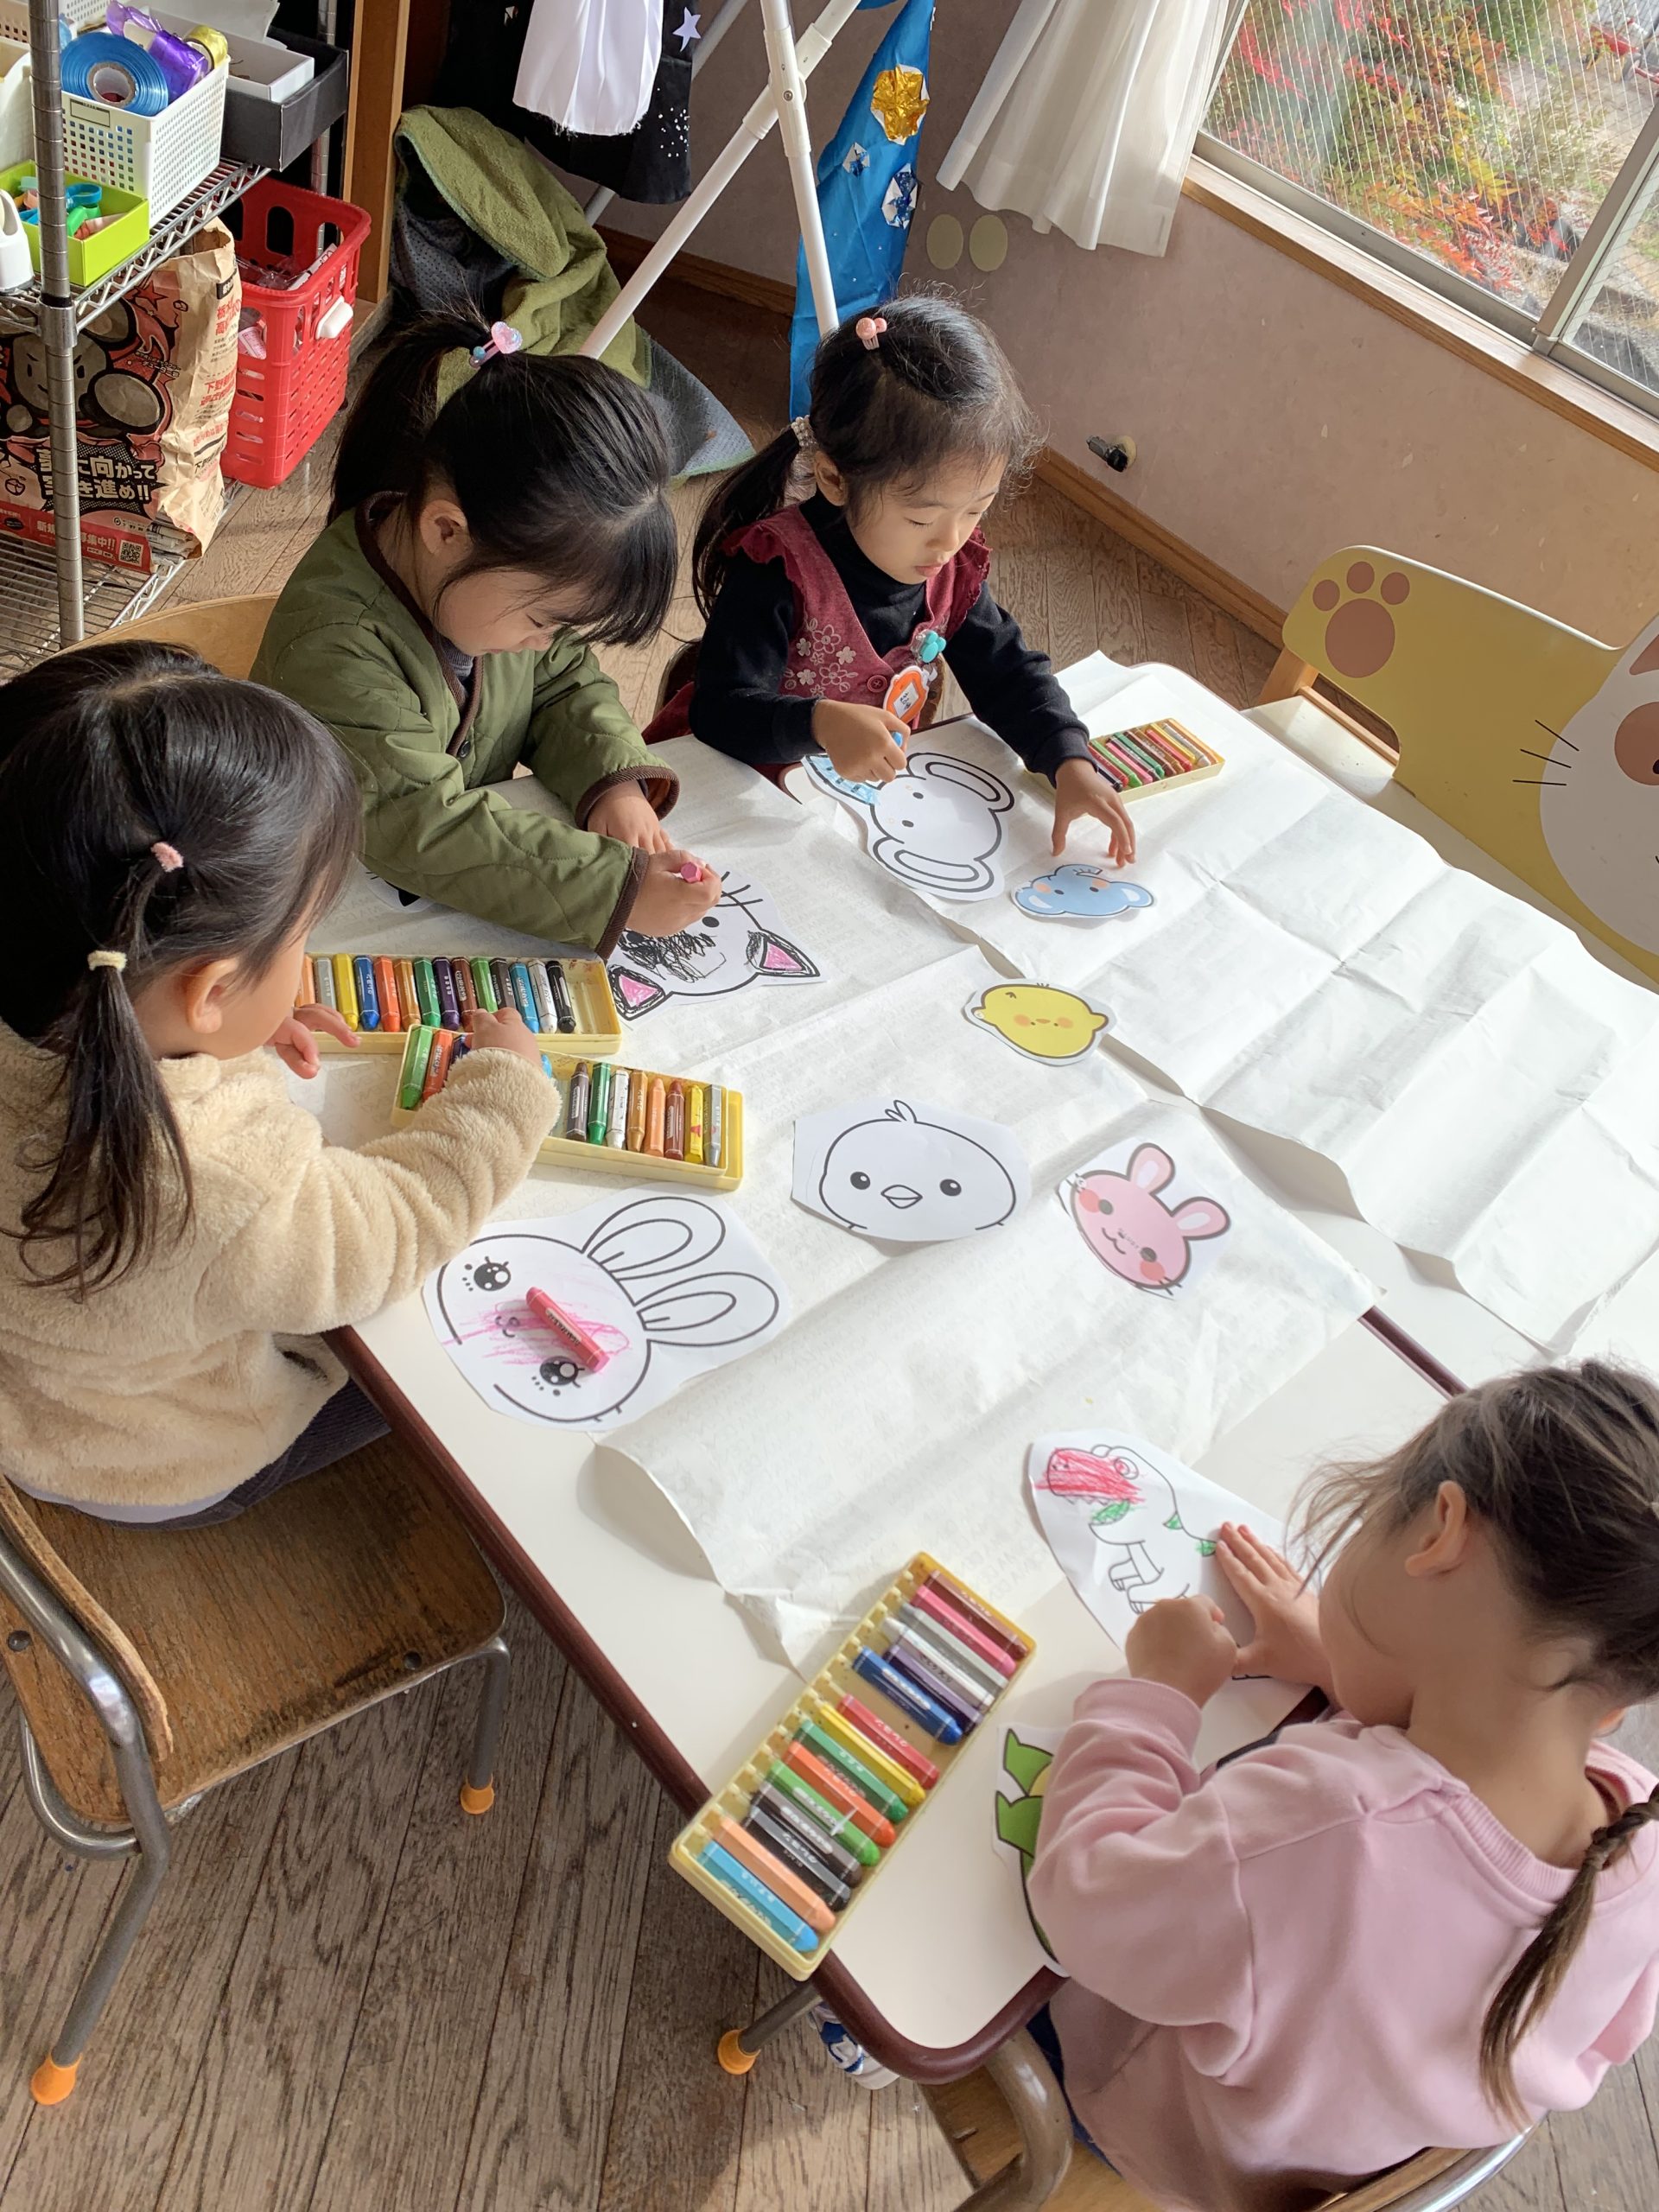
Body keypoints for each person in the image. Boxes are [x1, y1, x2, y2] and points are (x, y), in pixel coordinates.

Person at [1028, 1363, 1659, 2212]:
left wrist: (1158, 1693)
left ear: (1440, 1531)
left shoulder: (1324, 1827)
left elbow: (1082, 1901)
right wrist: (1346, 1664)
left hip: (1133, 2118)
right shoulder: (1639, 1838)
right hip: (1306, 2157)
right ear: (1619, 1696)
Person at [0, 643, 560, 1528]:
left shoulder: (46, 963)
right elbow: (400, 1225)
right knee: (438, 1359)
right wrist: (503, 1093)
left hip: (35, 1386)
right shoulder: (223, 1183)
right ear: (209, 990)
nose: (303, 957)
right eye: (299, 935)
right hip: (140, 1460)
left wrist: (229, 1033)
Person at [254, 313, 719, 954]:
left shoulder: (487, 578)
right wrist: (615, 888)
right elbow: (422, 825)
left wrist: (610, 778)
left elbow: (562, 681)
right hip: (315, 903)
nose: (545, 641)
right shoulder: (334, 645)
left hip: (444, 885)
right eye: (542, 620)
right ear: (446, 531)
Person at [660, 295, 1134, 862]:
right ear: (835, 479)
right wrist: (819, 723)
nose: (949, 541)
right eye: (921, 519)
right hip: (732, 794)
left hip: (847, 810)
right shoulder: (778, 568)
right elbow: (720, 712)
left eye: (975, 510)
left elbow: (1008, 674)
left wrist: (1068, 760)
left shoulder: (952, 569)